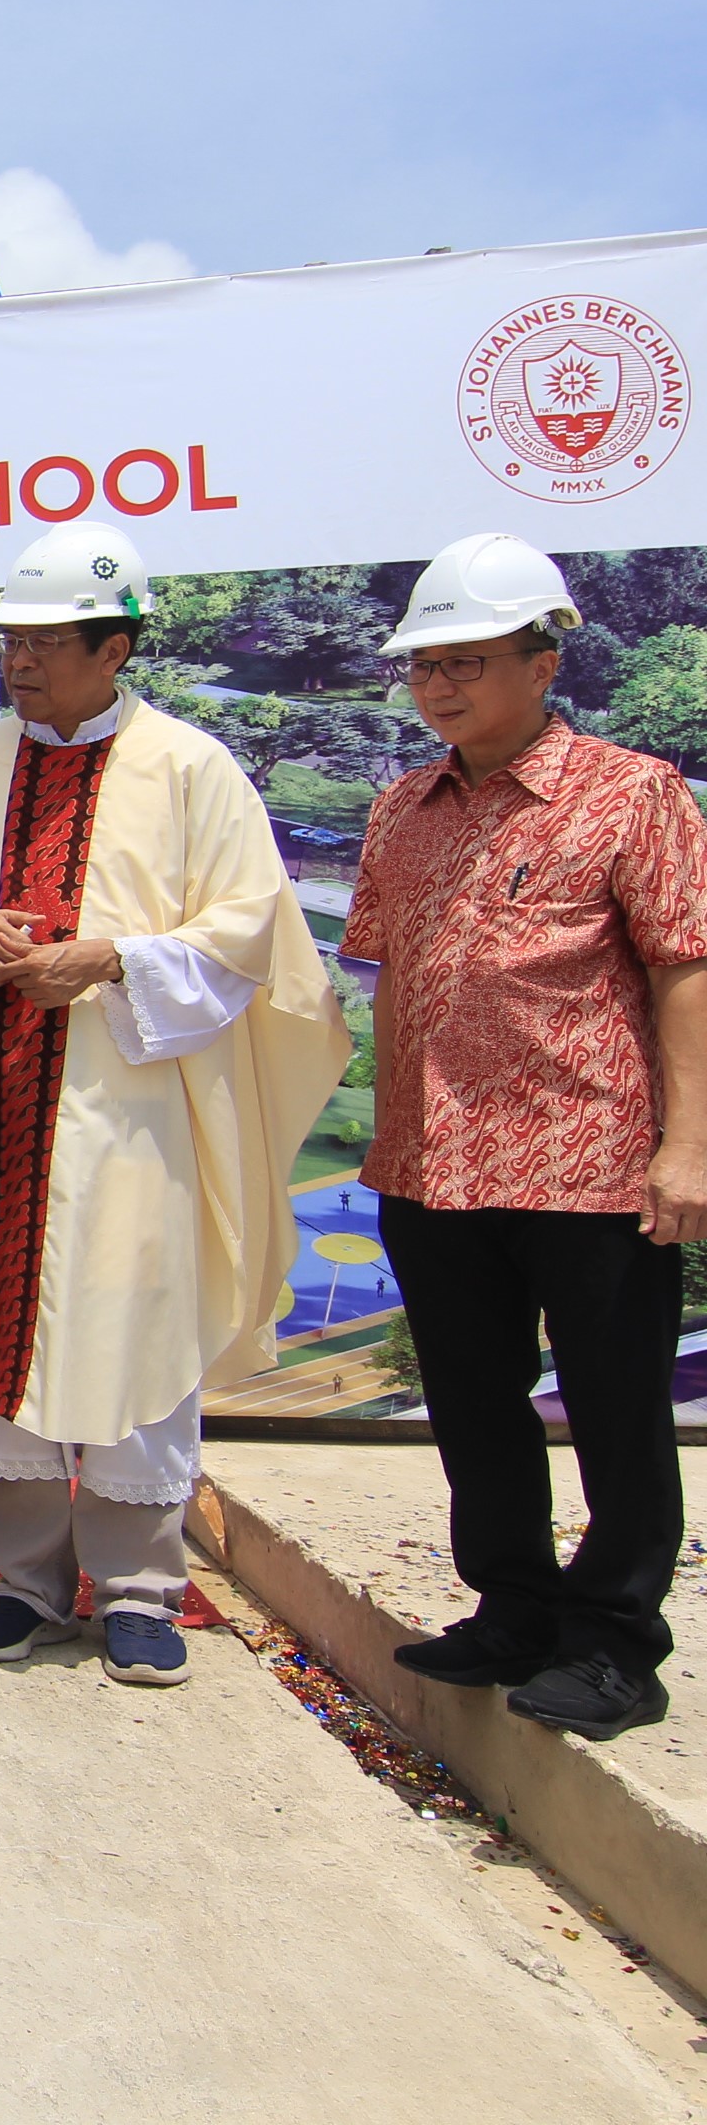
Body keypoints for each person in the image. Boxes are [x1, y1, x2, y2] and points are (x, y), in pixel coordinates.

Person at [0, 524, 346, 1687]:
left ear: (116, 645)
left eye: (45, 641)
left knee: (129, 1324)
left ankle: (138, 1591)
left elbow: (245, 936)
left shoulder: (192, 771)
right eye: (10, 642)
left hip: (133, 1116)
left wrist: (116, 960)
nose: (19, 662)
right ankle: (24, 1585)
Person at [347, 535, 707, 1742]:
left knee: (612, 1404)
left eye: (467, 661)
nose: (438, 687)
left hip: (585, 1156)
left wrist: (691, 1147)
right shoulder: (405, 804)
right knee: (474, 1400)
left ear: (543, 661)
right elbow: (392, 969)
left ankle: (613, 1643)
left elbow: (685, 972)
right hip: (431, 1163)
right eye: (423, 666)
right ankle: (511, 1605)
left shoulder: (632, 793)